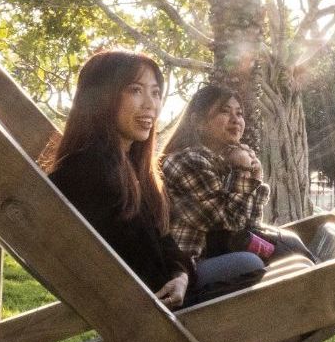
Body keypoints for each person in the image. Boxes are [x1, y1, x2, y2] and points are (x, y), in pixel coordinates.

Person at [41, 50, 265, 308]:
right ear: (102, 97)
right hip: (151, 306)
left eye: (156, 93)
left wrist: (181, 274)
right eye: (136, 90)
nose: (151, 104)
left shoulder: (129, 167)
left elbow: (163, 241)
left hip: (167, 289)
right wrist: (179, 277)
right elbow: (142, 262)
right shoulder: (90, 171)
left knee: (268, 259)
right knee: (251, 264)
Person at [161, 83, 313, 268]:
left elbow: (250, 224)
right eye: (224, 112)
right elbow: (229, 224)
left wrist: (254, 176)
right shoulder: (188, 160)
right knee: (251, 262)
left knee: (291, 245)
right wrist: (242, 172)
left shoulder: (224, 159)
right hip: (187, 268)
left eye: (239, 113)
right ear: (197, 121)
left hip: (217, 252)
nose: (235, 120)